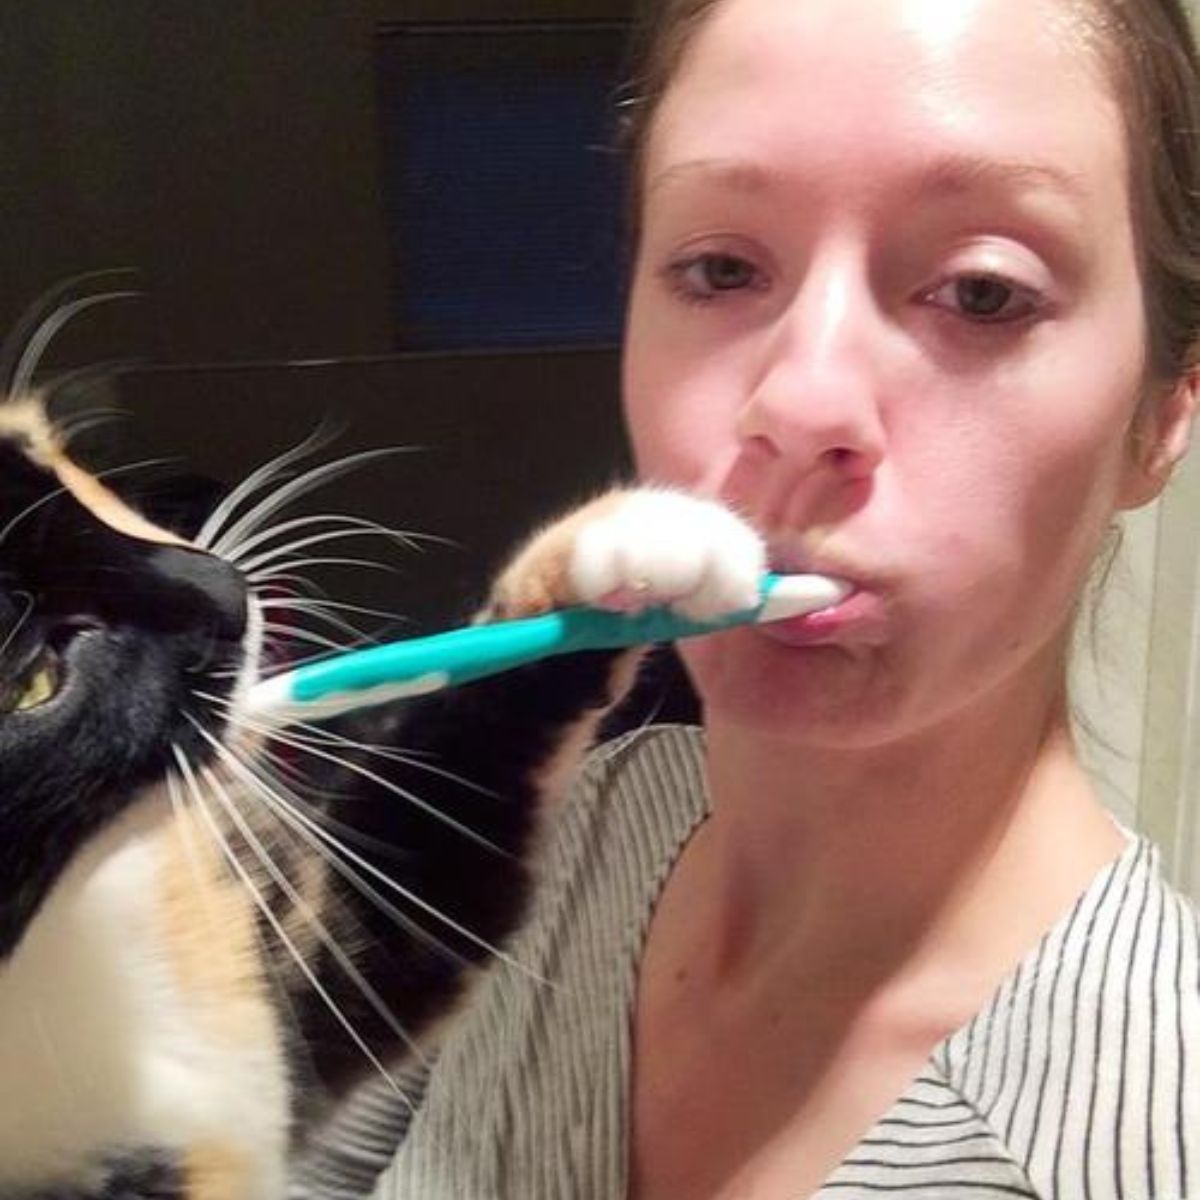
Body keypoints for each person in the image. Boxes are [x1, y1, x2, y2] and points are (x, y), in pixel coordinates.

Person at [360, 0, 1200, 1196]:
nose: (802, 405)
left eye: (982, 293)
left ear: (1163, 416)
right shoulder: (577, 827)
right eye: (721, 267)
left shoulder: (1153, 1138)